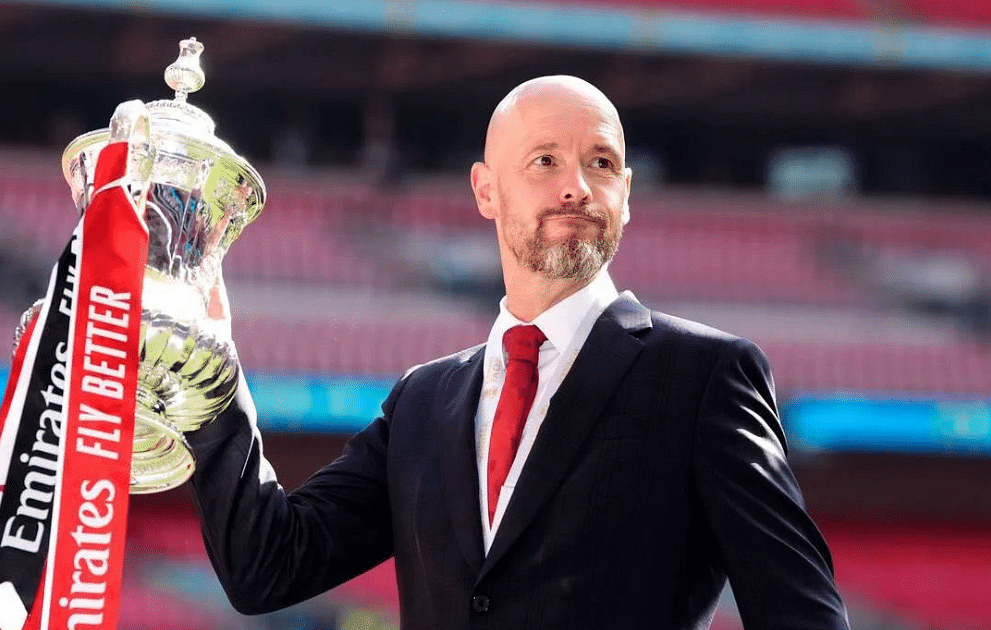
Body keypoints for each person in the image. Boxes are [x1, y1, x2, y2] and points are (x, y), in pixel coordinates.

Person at [184, 76, 850, 629]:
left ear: (627, 194)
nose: (577, 187)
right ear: (485, 190)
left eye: (601, 162)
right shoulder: (422, 401)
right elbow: (267, 566)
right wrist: (209, 362)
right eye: (545, 161)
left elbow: (802, 615)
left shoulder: (705, 375)